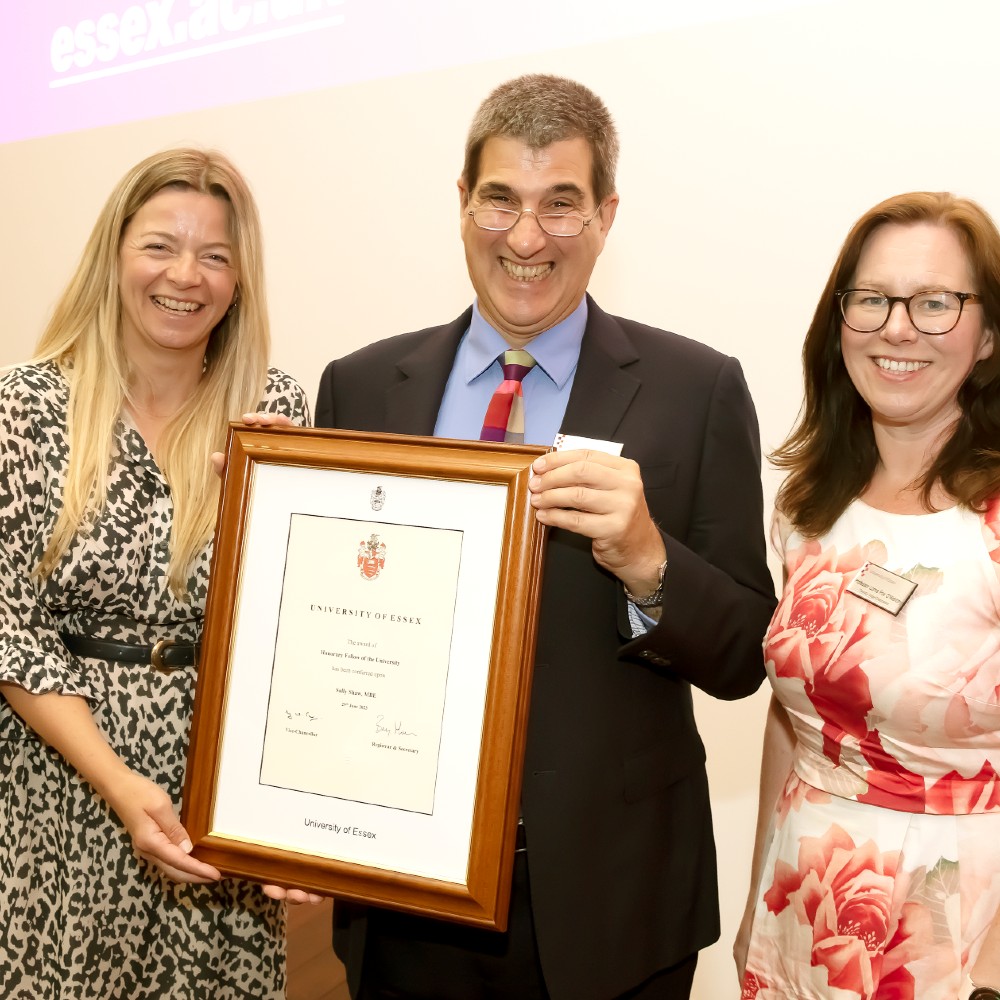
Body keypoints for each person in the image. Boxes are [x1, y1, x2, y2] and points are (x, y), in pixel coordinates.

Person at [314, 74, 776, 1000]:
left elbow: (742, 656)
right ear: (462, 204)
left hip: (612, 906)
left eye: (561, 206)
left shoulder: (696, 390)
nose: (526, 239)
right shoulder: (362, 389)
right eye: (502, 201)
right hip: (408, 897)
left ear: (606, 215)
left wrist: (650, 561)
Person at [0, 148, 310, 998]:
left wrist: (271, 515)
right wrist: (120, 783)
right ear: (115, 255)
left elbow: (298, 626)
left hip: (222, 794)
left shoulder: (274, 414)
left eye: (215, 255)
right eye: (160, 246)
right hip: (59, 788)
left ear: (241, 279)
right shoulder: (24, 407)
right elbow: (10, 627)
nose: (186, 275)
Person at [736, 192, 1000, 1000]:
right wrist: (755, 905)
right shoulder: (806, 506)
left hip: (958, 938)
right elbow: (792, 719)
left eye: (935, 302)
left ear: (988, 334)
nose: (897, 327)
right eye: (873, 299)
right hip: (802, 916)